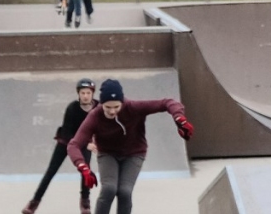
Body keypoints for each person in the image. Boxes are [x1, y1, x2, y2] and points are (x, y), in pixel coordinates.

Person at [67, 79, 194, 214]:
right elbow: (73, 145)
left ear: (122, 102)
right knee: (109, 188)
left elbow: (167, 102)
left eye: (116, 107)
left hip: (134, 153)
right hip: (108, 154)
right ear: (101, 104)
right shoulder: (95, 116)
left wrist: (179, 118)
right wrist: (82, 166)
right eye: (107, 107)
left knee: (124, 191)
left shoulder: (133, 107)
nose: (112, 111)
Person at [22, 78, 98, 214]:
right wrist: (86, 143)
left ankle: (85, 202)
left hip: (84, 144)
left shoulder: (98, 107)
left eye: (88, 93)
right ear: (78, 94)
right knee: (51, 171)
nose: (85, 96)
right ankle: (34, 202)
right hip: (66, 142)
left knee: (86, 171)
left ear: (92, 94)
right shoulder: (72, 108)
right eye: (82, 93)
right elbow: (68, 134)